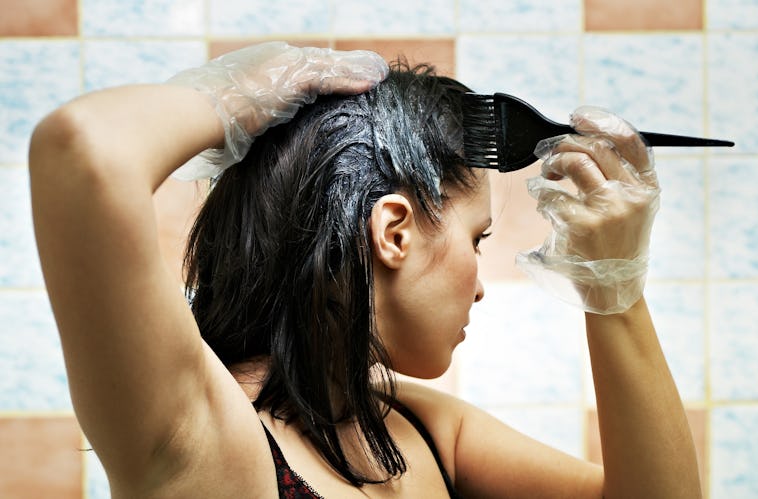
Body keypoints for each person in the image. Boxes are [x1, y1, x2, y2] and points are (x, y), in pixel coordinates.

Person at [29, 42, 701, 498]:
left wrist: (614, 287)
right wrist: (233, 97)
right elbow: (82, 150)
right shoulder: (202, 434)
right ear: (394, 231)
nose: (479, 284)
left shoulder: (422, 429)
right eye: (477, 238)